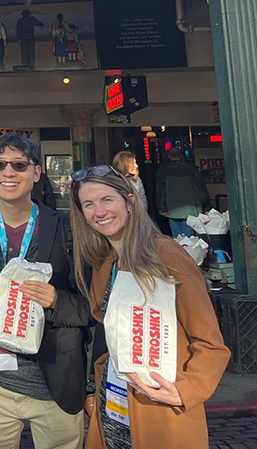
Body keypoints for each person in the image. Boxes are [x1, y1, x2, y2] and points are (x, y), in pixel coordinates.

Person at [70, 165, 230, 449]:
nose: (99, 212)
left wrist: (186, 390)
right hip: (114, 404)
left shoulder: (166, 255)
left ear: (129, 201)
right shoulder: (103, 262)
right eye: (89, 204)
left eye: (107, 200)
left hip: (160, 410)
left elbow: (210, 342)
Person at [0, 135, 90, 449]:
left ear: (37, 172)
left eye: (19, 165)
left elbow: (95, 305)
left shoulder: (70, 229)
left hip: (54, 379)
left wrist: (57, 300)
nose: (8, 173)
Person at [154, 149, 209, 237]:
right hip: (193, 210)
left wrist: (161, 208)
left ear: (169, 157)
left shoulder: (163, 172)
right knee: (192, 240)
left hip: (173, 211)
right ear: (182, 156)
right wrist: (206, 205)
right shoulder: (193, 170)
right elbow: (201, 189)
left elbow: (160, 192)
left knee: (178, 239)